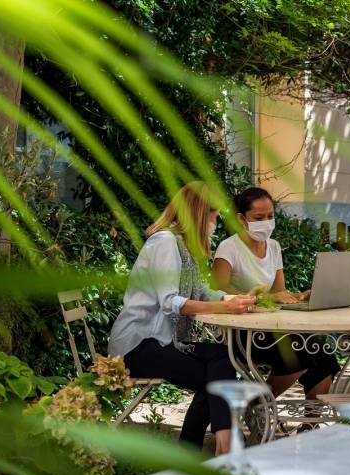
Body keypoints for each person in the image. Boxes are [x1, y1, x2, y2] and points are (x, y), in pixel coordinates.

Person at [109, 181, 255, 455]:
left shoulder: (184, 247)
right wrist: (224, 309)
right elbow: (170, 302)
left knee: (223, 357)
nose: (215, 221)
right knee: (212, 379)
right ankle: (213, 446)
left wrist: (234, 300)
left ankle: (216, 443)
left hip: (163, 342)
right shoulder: (165, 242)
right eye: (213, 215)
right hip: (138, 345)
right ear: (200, 214)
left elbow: (201, 291)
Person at [212, 187, 340, 402]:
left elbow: (280, 293)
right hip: (241, 332)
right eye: (259, 217)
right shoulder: (229, 247)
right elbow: (217, 290)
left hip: (272, 328)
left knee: (324, 355)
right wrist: (267, 298)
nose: (267, 222)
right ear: (241, 219)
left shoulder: (273, 247)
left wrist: (301, 296)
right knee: (299, 356)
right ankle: (256, 405)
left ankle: (310, 423)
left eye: (270, 216)